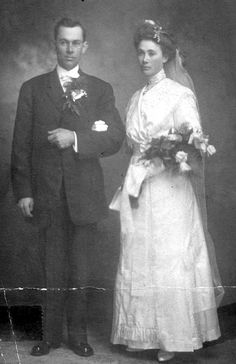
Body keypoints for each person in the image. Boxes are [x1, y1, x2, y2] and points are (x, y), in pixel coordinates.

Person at [110, 20, 224, 362]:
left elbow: (194, 143)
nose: (144, 59)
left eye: (151, 53)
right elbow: (132, 146)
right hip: (138, 188)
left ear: (166, 56)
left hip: (169, 189)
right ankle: (140, 334)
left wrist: (165, 156)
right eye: (141, 53)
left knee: (168, 259)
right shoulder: (134, 97)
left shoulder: (179, 93)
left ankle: (171, 337)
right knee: (137, 256)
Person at [11, 17, 125, 357]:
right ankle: (50, 337)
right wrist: (24, 191)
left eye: (76, 43)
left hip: (84, 195)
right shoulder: (32, 88)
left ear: (85, 47)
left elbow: (114, 137)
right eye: (64, 42)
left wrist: (75, 138)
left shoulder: (101, 89)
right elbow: (20, 145)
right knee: (51, 267)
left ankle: (78, 337)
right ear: (55, 44)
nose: (70, 49)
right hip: (46, 194)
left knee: (80, 268)